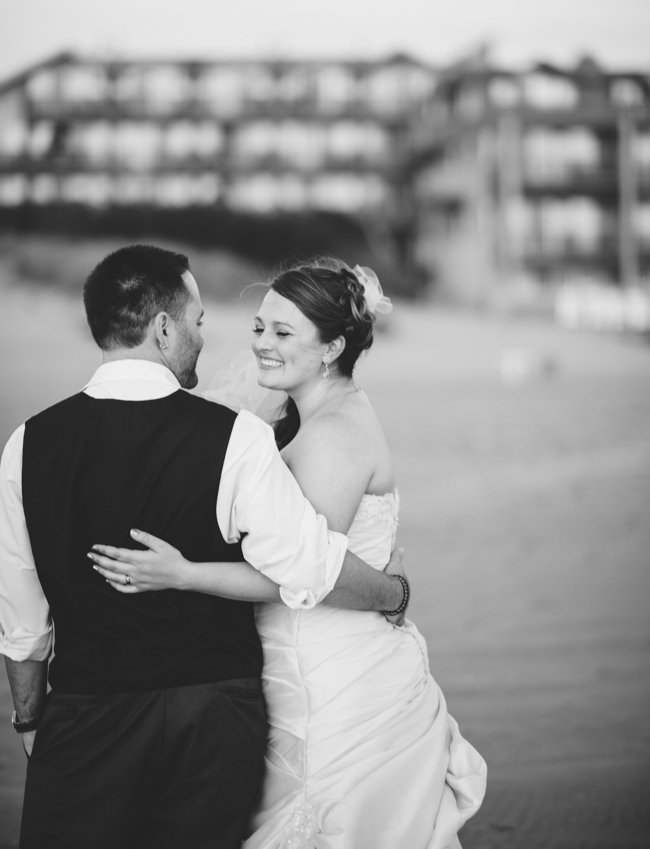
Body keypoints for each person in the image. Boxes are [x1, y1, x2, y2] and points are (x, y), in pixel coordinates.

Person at [0, 245, 410, 849]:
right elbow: (310, 565)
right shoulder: (237, 436)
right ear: (164, 328)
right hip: (214, 717)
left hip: (85, 714)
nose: (204, 338)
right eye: (197, 323)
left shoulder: (28, 443)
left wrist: (32, 716)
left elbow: (22, 617)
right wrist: (394, 591)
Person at [92, 257, 487, 849]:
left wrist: (183, 574)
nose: (262, 346)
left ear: (331, 347)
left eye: (283, 333)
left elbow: (304, 576)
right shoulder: (302, 415)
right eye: (258, 328)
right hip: (309, 658)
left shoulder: (332, 436)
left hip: (331, 681)